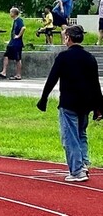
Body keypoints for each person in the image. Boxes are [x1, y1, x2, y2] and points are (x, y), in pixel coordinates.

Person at [36, 25, 103, 182]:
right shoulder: (90, 58)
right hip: (85, 104)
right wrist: (99, 107)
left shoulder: (63, 57)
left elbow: (52, 79)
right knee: (81, 134)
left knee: (70, 137)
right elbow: (95, 85)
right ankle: (83, 163)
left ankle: (77, 170)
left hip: (69, 103)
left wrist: (44, 98)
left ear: (68, 38)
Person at [0, 7, 25, 80]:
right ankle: (4, 72)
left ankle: (18, 75)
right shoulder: (15, 21)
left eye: (11, 12)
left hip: (17, 43)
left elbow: (23, 28)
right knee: (6, 55)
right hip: (12, 43)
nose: (10, 14)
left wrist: (18, 36)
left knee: (18, 59)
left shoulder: (19, 20)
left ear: (14, 13)